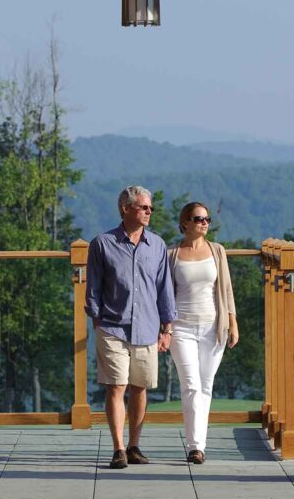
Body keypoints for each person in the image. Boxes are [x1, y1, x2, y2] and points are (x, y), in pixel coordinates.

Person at [85, 186, 176, 469]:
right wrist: (97, 318)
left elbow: (164, 288)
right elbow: (94, 286)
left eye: (150, 208)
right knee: (117, 386)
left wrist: (167, 328)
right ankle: (118, 449)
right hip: (113, 327)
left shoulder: (158, 245)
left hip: (148, 328)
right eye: (143, 207)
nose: (149, 212)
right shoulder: (102, 243)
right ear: (125, 209)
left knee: (140, 387)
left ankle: (135, 445)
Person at [168, 202, 239, 464]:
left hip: (213, 325)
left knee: (206, 386)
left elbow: (227, 289)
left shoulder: (217, 251)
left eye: (207, 219)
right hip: (181, 327)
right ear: (185, 222)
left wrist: (233, 321)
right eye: (199, 219)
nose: (204, 223)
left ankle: (200, 445)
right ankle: (194, 446)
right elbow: (164, 293)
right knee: (190, 385)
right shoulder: (172, 254)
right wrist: (164, 326)